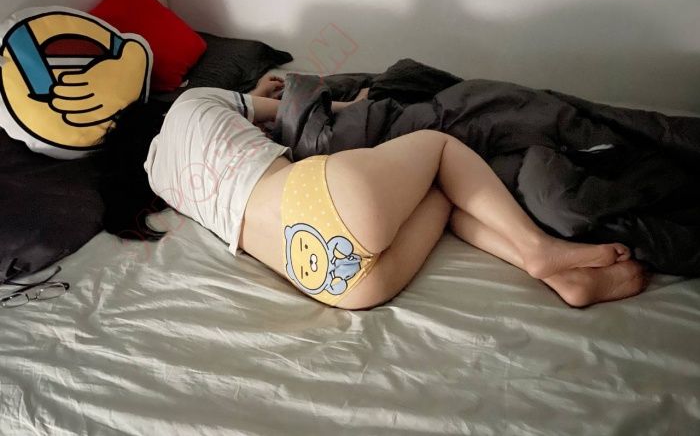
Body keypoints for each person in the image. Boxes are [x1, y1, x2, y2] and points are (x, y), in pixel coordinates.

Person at [95, 76, 648, 310]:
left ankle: (560, 279)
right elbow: (280, 107)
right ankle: (536, 248)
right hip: (320, 197)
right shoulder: (191, 102)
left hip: (333, 283)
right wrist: (346, 103)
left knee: (439, 193)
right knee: (440, 149)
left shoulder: (161, 182)